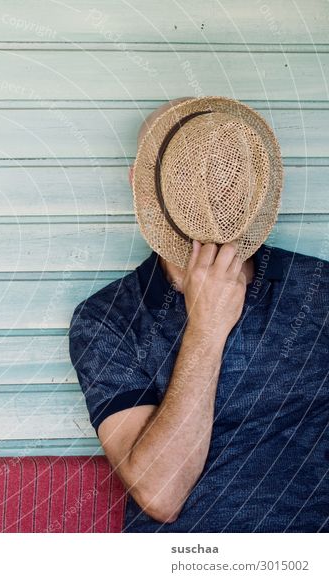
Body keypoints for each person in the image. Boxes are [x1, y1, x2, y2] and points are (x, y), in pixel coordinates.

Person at [68, 96, 329, 532]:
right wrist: (206, 329)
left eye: (223, 176)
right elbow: (161, 494)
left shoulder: (318, 290)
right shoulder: (108, 319)